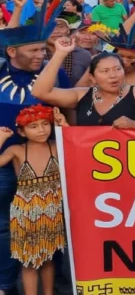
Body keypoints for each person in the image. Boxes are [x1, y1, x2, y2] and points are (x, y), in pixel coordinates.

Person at [0, 105, 67, 295]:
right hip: (26, 213)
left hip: (52, 211)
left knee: (48, 257)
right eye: (34, 126)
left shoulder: (56, 145)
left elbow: (77, 147)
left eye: (45, 124)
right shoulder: (16, 150)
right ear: (21, 131)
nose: (41, 130)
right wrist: (1, 138)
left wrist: (64, 124)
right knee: (28, 261)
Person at [33, 38, 135, 128]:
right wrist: (60, 53)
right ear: (92, 78)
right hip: (90, 164)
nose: (113, 76)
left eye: (117, 69)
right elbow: (40, 92)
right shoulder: (81, 95)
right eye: (105, 71)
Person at [87, 22, 135, 93]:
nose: (124, 61)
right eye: (120, 56)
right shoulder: (102, 75)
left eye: (131, 58)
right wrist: (93, 65)